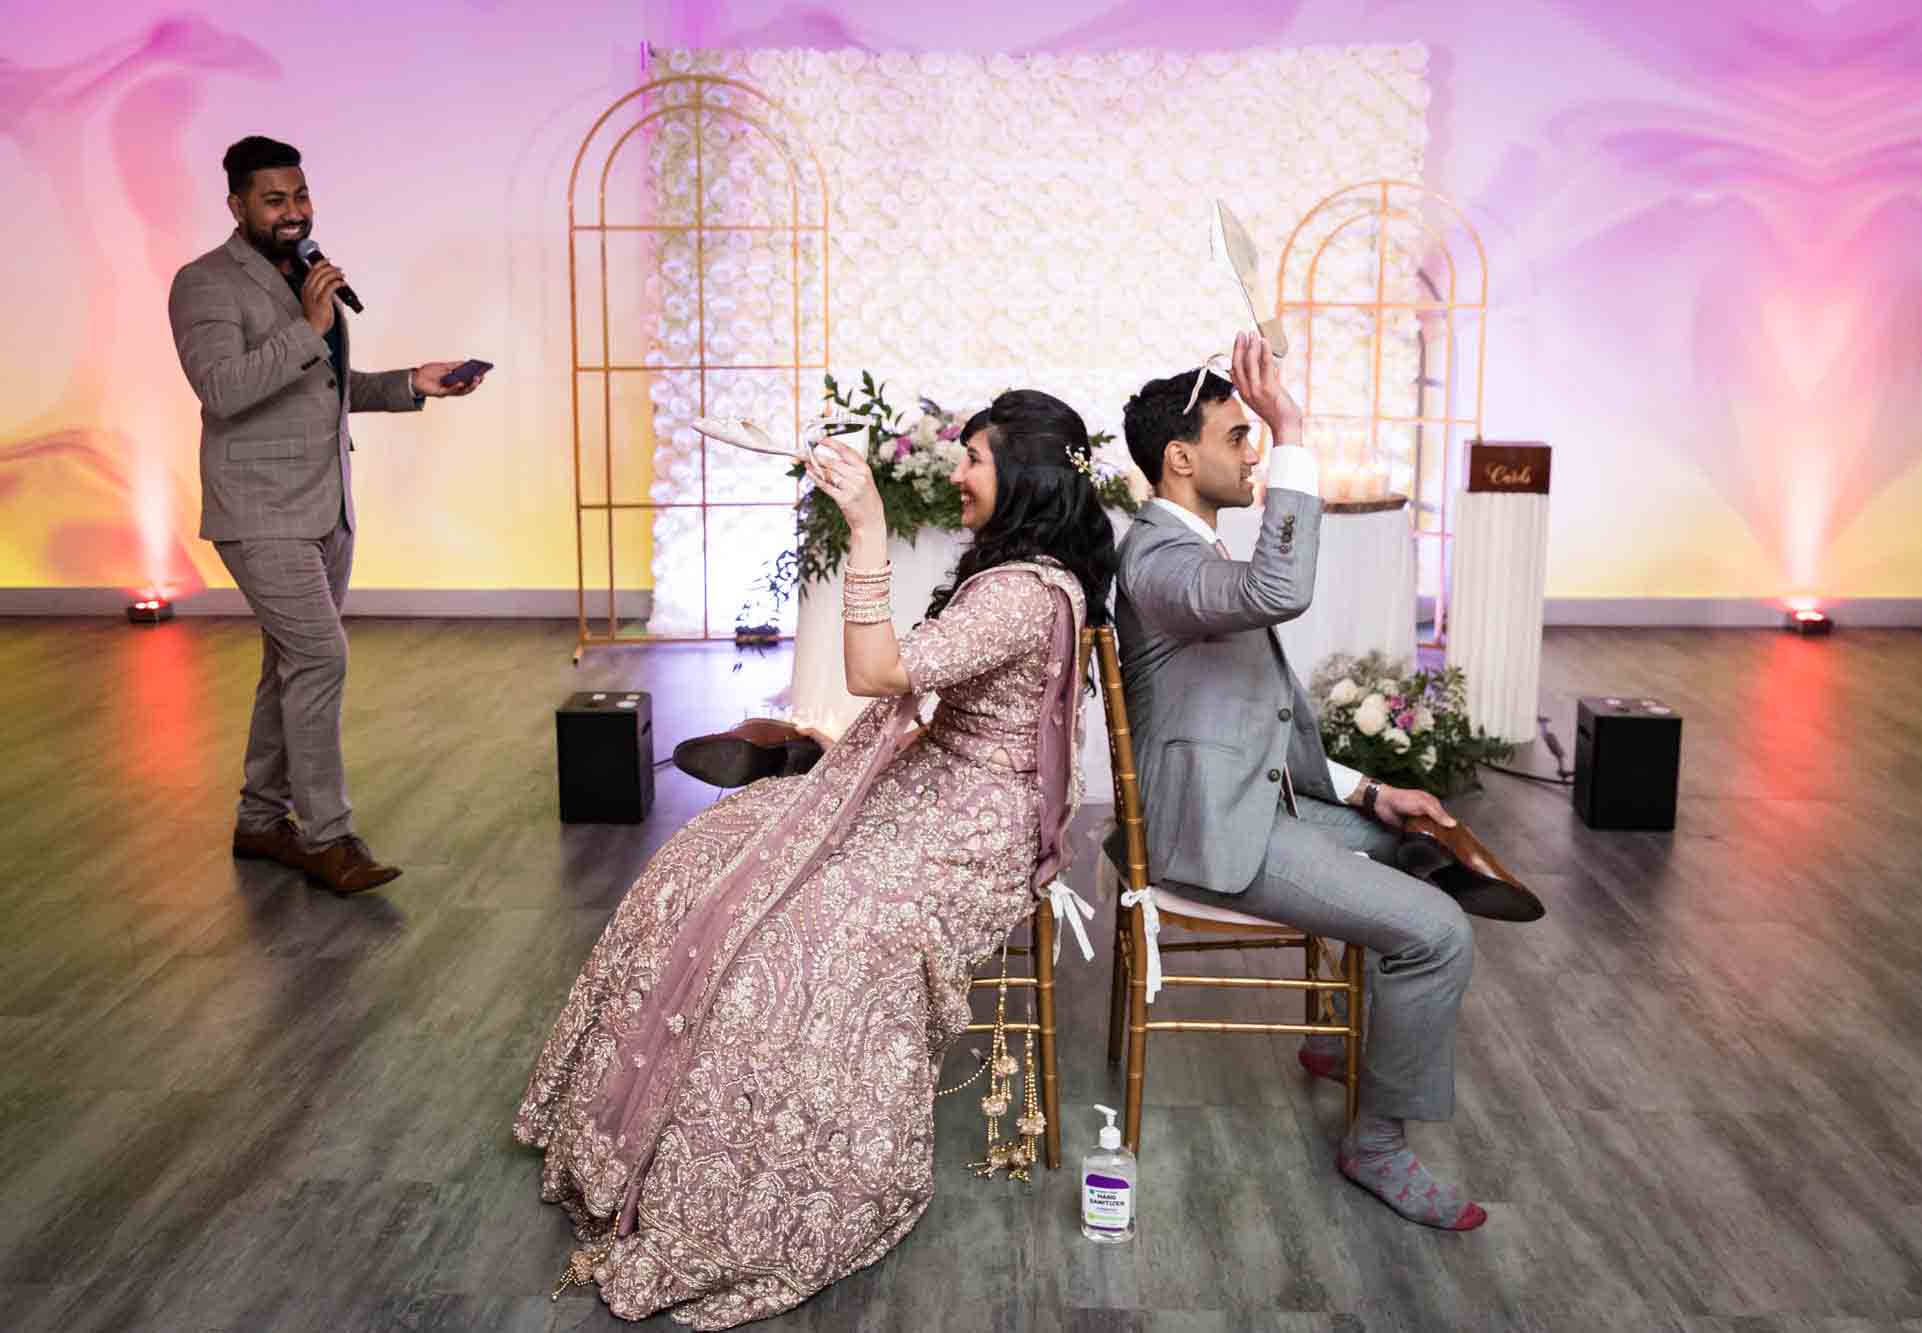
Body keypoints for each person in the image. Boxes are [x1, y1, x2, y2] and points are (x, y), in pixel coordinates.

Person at [516, 390, 1117, 1326]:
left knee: (800, 934)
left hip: (968, 829)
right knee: (713, 851)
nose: (958, 474)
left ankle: (748, 1183)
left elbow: (877, 675)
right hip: (931, 788)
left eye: (975, 461)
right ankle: (638, 1127)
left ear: (1027, 481)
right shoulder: (1027, 576)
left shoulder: (1024, 593)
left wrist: (870, 522)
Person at [1112, 333, 1487, 1231]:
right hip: (1210, 832)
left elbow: (1262, 710)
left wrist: (1366, 792)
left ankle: (1345, 1037)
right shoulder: (1159, 562)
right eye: (1239, 437)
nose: (1254, 453)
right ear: (1180, 458)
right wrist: (1294, 426)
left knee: (1419, 845)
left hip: (1257, 800)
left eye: (1257, 437)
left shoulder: (1191, 549)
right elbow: (1281, 587)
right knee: (1439, 931)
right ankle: (1380, 1144)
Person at [166, 136, 485, 894]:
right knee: (321, 656)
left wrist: (414, 381)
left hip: (326, 504)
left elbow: (324, 387)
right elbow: (224, 387)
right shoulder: (204, 284)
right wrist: (307, 328)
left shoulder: (306, 275)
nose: (293, 212)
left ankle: (259, 819)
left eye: (300, 195)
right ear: (237, 205)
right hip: (259, 510)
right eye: (274, 200)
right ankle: (331, 837)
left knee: (290, 663)